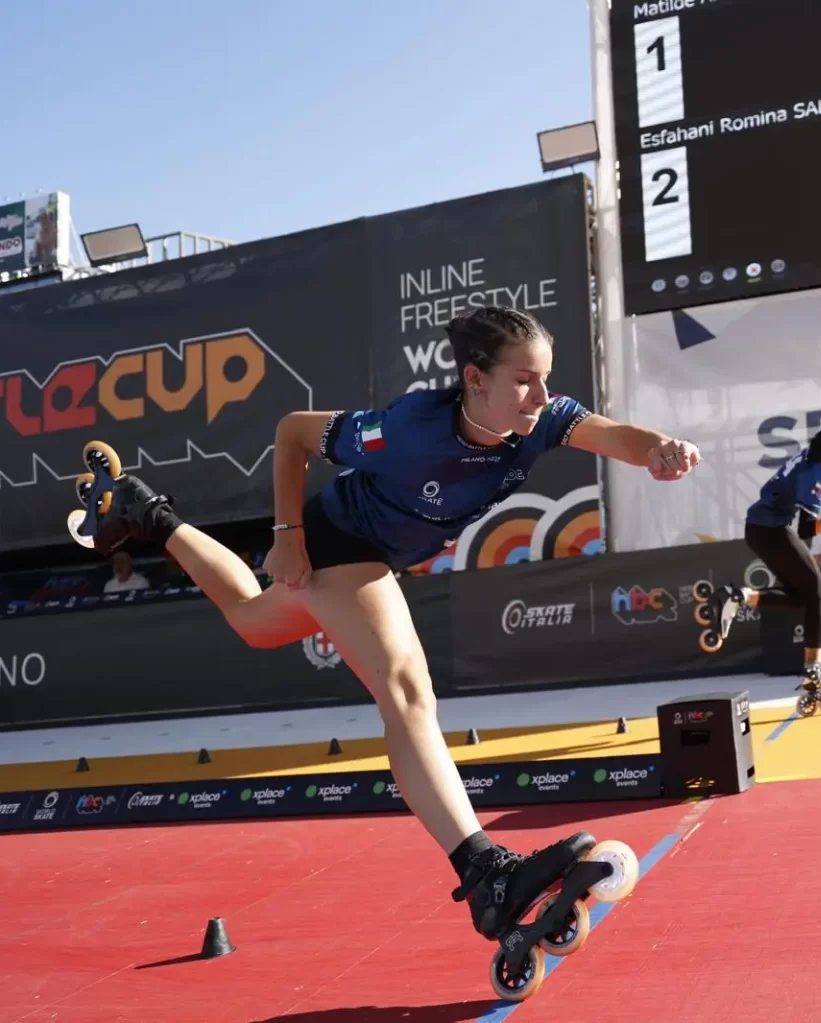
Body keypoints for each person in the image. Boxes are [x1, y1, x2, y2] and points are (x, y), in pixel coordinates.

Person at [81, 306, 700, 943]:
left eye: (546, 379)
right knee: (407, 693)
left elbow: (615, 435)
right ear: (475, 378)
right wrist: (288, 535)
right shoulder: (408, 428)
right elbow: (294, 432)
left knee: (253, 623)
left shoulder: (541, 420)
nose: (541, 396)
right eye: (523, 381)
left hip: (376, 556)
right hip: (338, 541)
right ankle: (485, 872)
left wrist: (658, 448)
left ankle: (145, 513)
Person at [703, 421, 821, 692]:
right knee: (819, 593)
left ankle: (738, 597)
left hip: (761, 528)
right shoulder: (820, 471)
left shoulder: (815, 460)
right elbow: (807, 529)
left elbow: (799, 490)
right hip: (771, 530)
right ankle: (814, 670)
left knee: (801, 596)